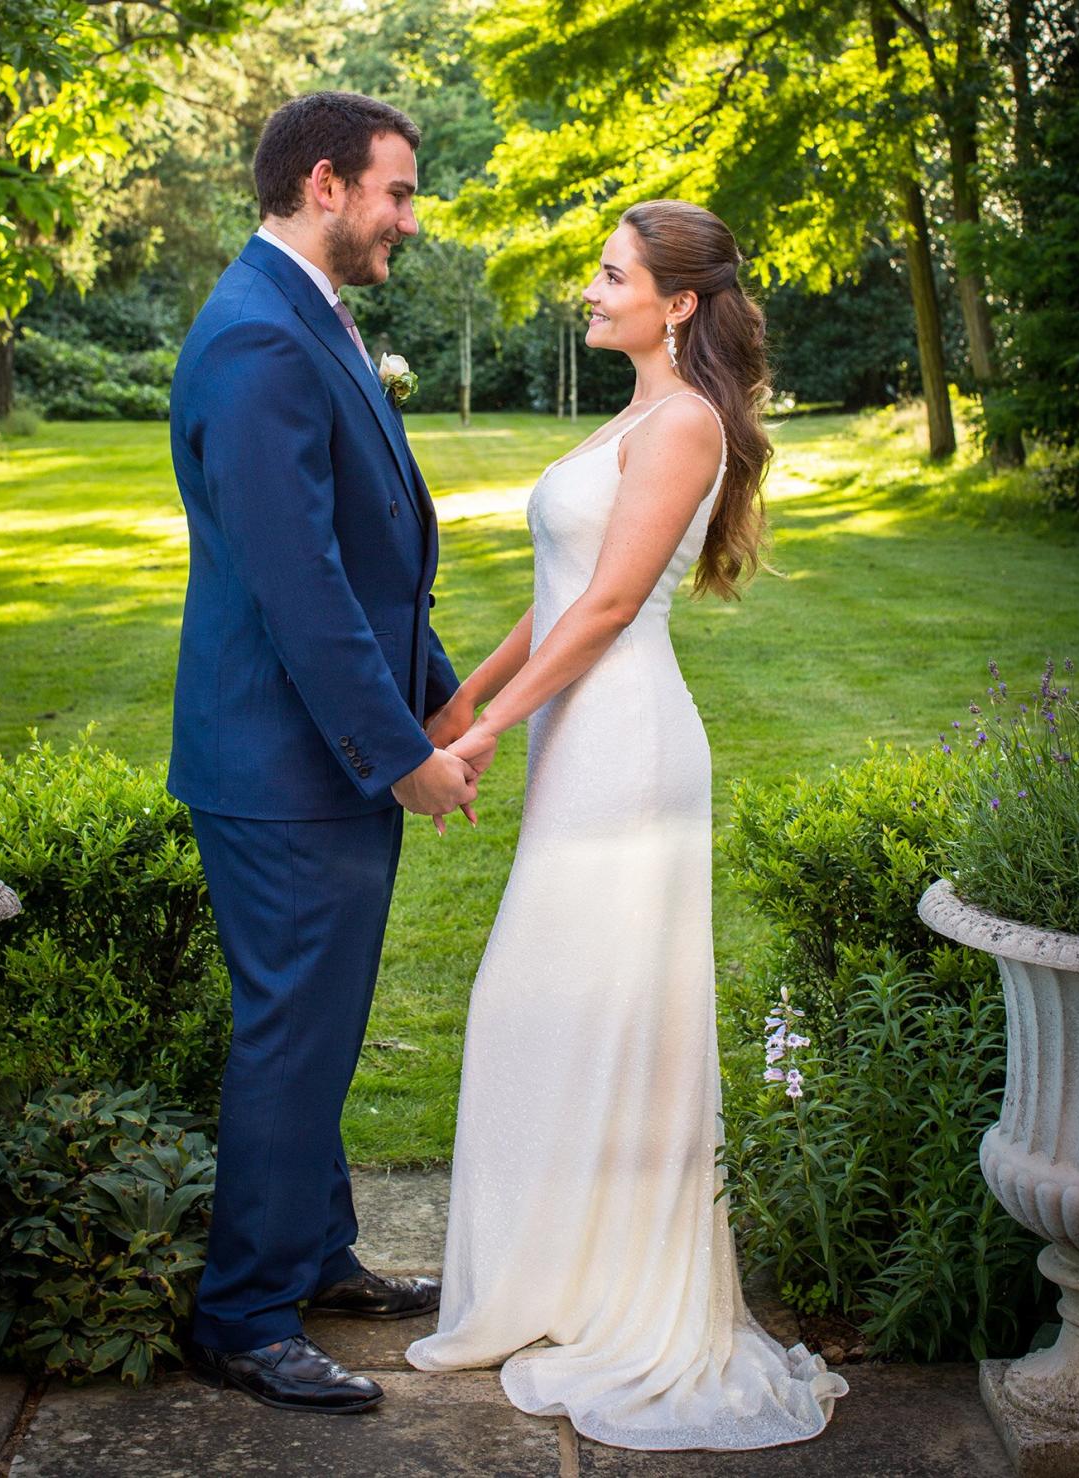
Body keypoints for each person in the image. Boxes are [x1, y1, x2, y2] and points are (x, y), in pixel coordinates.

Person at [405, 200, 849, 1450]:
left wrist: (487, 734)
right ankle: (559, 1276)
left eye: (612, 275)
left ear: (679, 303)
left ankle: (605, 1290)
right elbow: (558, 599)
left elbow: (605, 613)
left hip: (628, 748)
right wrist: (463, 699)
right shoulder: (637, 413)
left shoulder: (688, 423)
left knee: (550, 1000)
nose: (590, 291)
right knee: (559, 1004)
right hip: (579, 738)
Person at [167, 90, 478, 1415]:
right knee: (292, 1031)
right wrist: (399, 748)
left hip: (312, 757)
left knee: (322, 1023)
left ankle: (315, 1252)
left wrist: (443, 688)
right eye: (395, 192)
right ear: (323, 182)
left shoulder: (300, 314)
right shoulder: (255, 336)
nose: (408, 218)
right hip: (285, 767)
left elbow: (362, 550)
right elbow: (297, 588)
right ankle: (242, 1311)